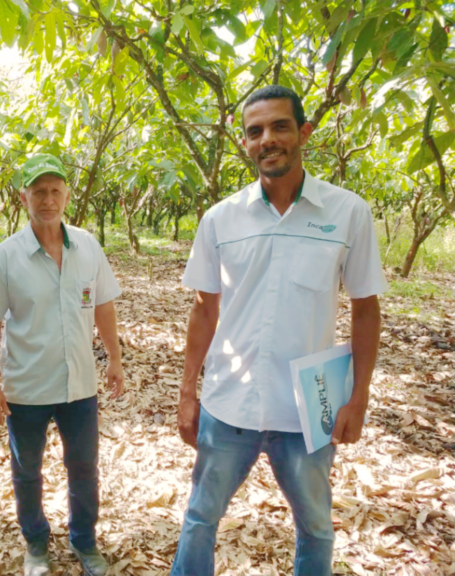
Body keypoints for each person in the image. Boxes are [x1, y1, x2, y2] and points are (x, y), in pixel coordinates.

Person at [171, 85, 386, 576]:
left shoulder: (347, 213)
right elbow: (204, 308)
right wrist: (187, 393)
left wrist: (359, 396)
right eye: (255, 131)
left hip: (309, 409)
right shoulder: (221, 219)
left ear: (304, 132)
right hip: (229, 404)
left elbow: (366, 308)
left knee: (315, 527)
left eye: (280, 126)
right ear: (245, 144)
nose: (267, 139)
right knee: (200, 518)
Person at [0, 154, 124, 576]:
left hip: (80, 385)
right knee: (27, 470)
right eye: (38, 191)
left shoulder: (87, 246)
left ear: (67, 195)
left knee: (83, 465)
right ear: (24, 197)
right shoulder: (6, 257)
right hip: (27, 387)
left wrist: (114, 358)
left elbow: (103, 305)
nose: (48, 199)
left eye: (55, 190)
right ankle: (36, 541)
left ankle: (84, 540)